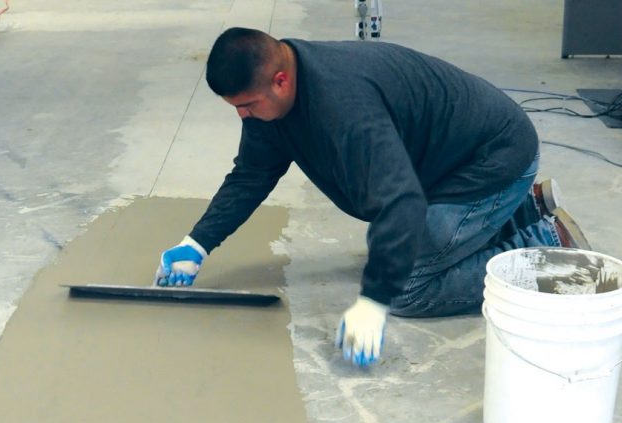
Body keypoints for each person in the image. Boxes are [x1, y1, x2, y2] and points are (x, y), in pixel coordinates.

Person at [153, 28, 589, 367]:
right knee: (398, 253)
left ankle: (546, 249)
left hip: (491, 162)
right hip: (447, 166)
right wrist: (197, 243)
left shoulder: (343, 107)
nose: (242, 116)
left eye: (245, 105)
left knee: (408, 290)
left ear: (280, 81)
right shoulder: (278, 95)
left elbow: (398, 202)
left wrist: (373, 303)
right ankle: (524, 209)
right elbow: (252, 173)